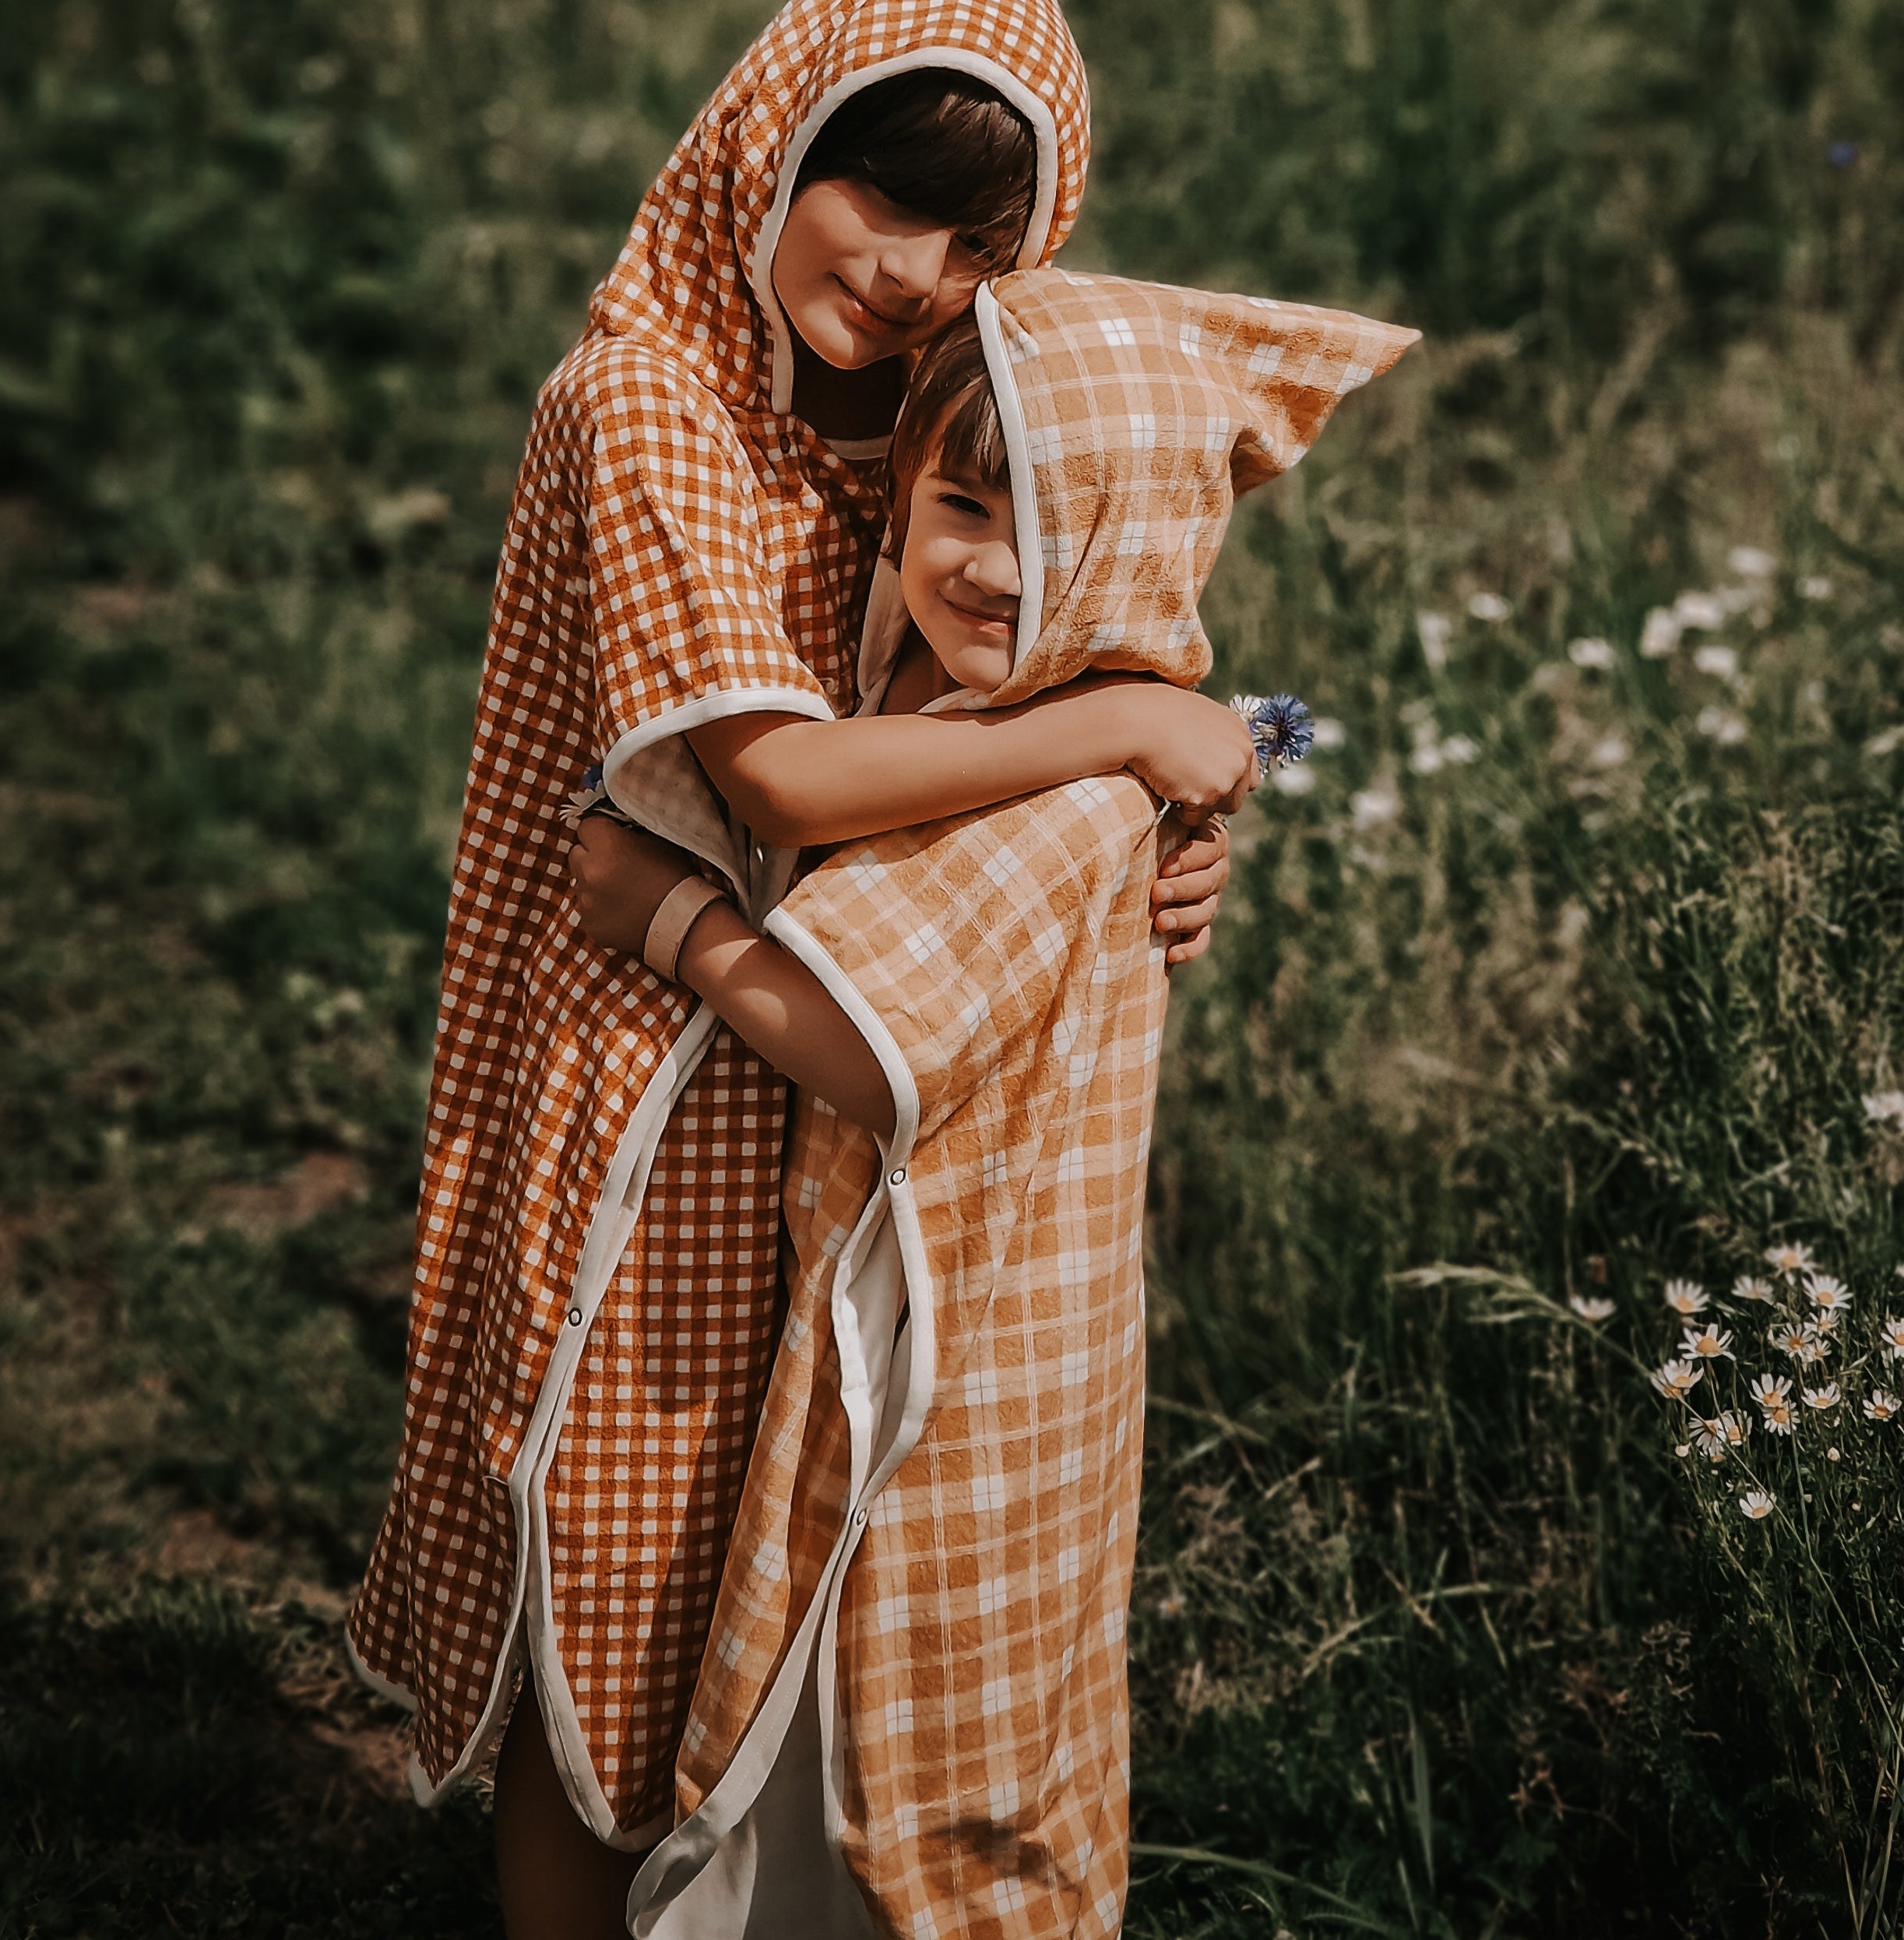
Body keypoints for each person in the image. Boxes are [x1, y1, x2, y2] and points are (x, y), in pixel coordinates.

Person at [343, 0, 1255, 1938]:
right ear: (780, 131)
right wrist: (1119, 739)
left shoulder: (917, 435)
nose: (918, 272)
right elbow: (785, 779)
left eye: (978, 248)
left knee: (766, 1597)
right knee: (612, 1588)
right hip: (650, 1094)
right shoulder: (648, 400)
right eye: (883, 198)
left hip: (839, 1088)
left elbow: (1030, 652)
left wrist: (1163, 806)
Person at [572, 266, 1417, 1938]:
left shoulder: (1067, 793)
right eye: (961, 499)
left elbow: (846, 1039)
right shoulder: (978, 696)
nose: (994, 563)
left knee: (907, 1746)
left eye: (1055, 523)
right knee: (842, 1729)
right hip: (922, 1308)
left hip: (954, 1362)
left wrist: (667, 917)